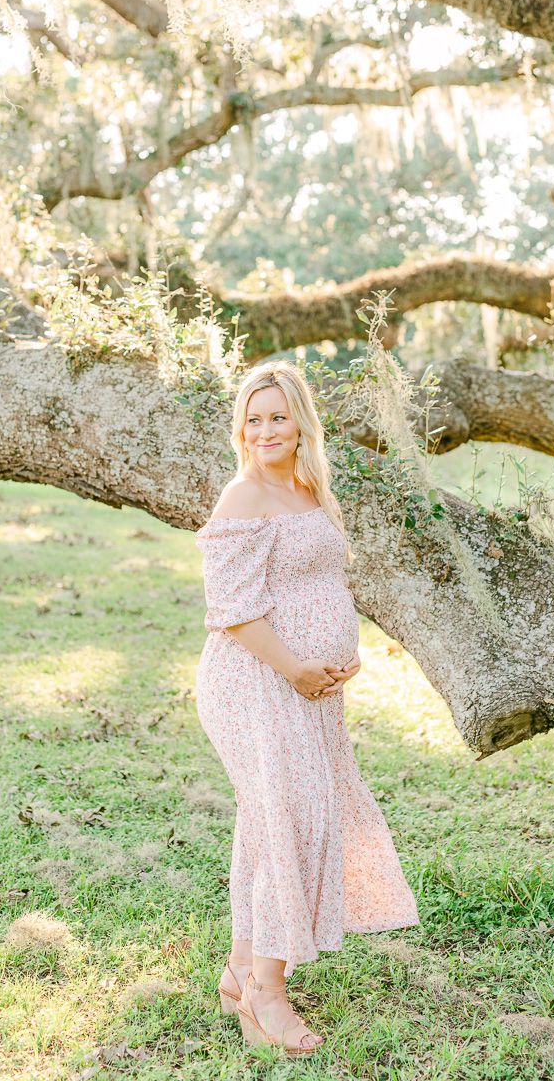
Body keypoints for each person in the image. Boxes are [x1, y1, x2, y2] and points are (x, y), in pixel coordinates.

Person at [194, 359, 420, 1055]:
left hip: (310, 687)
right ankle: (267, 993)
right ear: (240, 428)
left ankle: (241, 970)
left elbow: (324, 583)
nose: (265, 430)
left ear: (300, 423)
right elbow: (232, 612)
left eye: (278, 417)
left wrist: (340, 654)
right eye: (253, 419)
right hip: (254, 681)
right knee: (291, 818)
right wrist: (296, 667)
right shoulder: (243, 497)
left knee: (275, 822)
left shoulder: (307, 487)